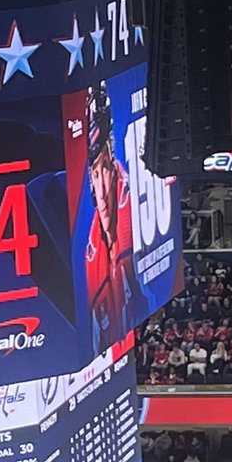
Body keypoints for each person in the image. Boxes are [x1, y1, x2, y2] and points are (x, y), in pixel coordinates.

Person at [82, 83, 146, 353]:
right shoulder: (91, 255)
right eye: (94, 175)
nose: (102, 186)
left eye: (104, 169)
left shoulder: (133, 208)